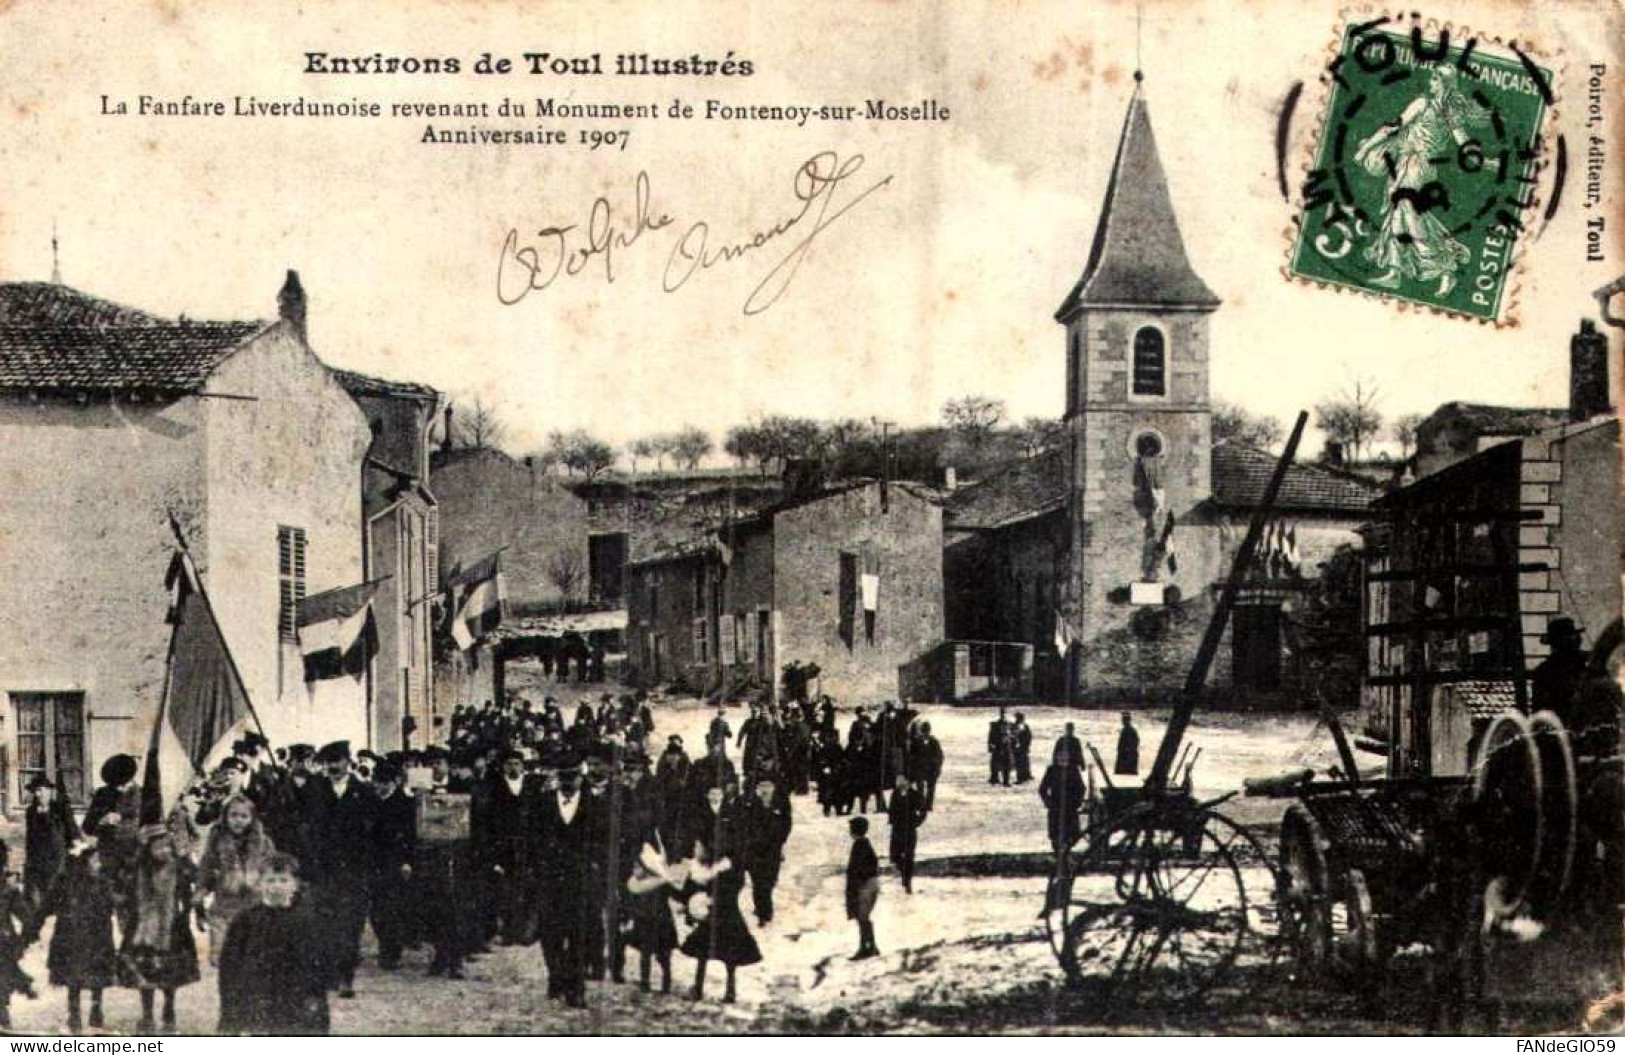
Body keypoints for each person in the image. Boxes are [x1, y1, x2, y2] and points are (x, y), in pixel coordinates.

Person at [217, 852, 333, 1035]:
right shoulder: (245, 920)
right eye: (270, 880)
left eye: (283, 880)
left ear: (295, 884)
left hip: (297, 1001)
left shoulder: (308, 920)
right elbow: (230, 967)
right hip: (258, 1000)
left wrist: (316, 1004)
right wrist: (231, 1012)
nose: (276, 887)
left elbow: (320, 964)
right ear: (260, 884)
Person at [305, 741, 376, 998]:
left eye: (338, 760)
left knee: (351, 925)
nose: (333, 766)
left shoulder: (364, 792)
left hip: (354, 872)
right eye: (329, 761)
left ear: (348, 762)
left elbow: (373, 834)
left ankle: (347, 977)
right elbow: (307, 829)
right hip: (323, 870)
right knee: (324, 923)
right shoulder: (315, 790)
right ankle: (329, 975)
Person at [117, 825, 200, 1033]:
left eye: (168, 847)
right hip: (143, 928)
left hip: (173, 927)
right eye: (158, 848)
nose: (165, 852)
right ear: (148, 851)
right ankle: (146, 1014)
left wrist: (193, 910)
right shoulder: (139, 871)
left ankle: (169, 1008)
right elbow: (127, 896)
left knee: (170, 972)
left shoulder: (179, 868)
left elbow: (193, 888)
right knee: (146, 971)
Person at [28, 843, 114, 1033]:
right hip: (79, 935)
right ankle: (78, 1012)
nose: (99, 864)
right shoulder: (68, 881)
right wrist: (34, 926)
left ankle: (93, 1009)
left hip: (90, 935)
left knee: (88, 975)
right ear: (83, 862)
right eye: (95, 860)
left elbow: (110, 904)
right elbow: (47, 905)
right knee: (77, 976)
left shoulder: (99, 881)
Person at [534, 761, 596, 1007]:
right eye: (564, 778)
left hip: (581, 881)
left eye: (574, 778)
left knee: (580, 934)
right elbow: (533, 837)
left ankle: (576, 987)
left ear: (581, 779)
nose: (569, 784)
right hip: (550, 880)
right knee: (550, 933)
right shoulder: (544, 803)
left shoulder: (594, 804)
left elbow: (603, 840)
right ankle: (556, 976)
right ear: (558, 779)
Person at [197, 795, 277, 966]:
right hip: (224, 905)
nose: (238, 821)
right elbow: (207, 867)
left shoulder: (263, 842)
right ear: (225, 817)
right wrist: (201, 889)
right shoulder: (217, 840)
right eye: (233, 815)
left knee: (251, 955)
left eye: (244, 816)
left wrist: (267, 888)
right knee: (224, 956)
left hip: (252, 904)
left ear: (252, 818)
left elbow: (271, 868)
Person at [679, 839, 760, 1003]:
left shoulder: (726, 869)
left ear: (709, 851)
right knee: (703, 953)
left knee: (730, 955)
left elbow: (734, 887)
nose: (695, 851)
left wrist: (714, 900)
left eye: (698, 848)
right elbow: (688, 890)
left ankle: (729, 991)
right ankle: (698, 988)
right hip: (709, 916)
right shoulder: (698, 870)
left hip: (726, 916)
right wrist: (691, 908)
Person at [367, 762, 416, 970]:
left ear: (394, 782)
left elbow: (412, 837)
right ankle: (385, 945)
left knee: (394, 908)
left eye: (384, 783)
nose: (380, 787)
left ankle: (391, 951)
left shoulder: (406, 804)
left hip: (396, 863)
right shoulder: (370, 802)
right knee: (376, 909)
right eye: (377, 783)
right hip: (373, 862)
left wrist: (407, 861)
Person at [624, 841, 679, 994]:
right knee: (645, 955)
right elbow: (632, 903)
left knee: (663, 957)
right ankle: (645, 981)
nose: (635, 871)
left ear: (647, 869)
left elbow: (675, 895)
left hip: (661, 923)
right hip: (645, 923)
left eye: (637, 867)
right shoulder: (636, 885)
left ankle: (666, 983)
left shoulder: (660, 884)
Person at [736, 778, 792, 926]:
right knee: (759, 882)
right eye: (762, 786)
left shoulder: (780, 802)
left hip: (773, 850)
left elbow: (787, 823)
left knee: (770, 880)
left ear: (774, 787)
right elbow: (743, 825)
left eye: (768, 786)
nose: (765, 789)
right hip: (754, 851)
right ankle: (764, 912)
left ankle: (763, 906)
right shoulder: (749, 803)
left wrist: (781, 840)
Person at [23, 774, 78, 909]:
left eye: (43, 790)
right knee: (37, 891)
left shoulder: (59, 808)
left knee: (56, 886)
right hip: (38, 856)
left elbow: (71, 828)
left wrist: (74, 846)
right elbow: (30, 836)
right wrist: (29, 856)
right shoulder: (30, 811)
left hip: (57, 855)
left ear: (49, 791)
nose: (40, 794)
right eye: (37, 790)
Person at [1040, 742, 1088, 852]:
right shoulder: (1052, 770)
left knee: (1072, 835)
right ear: (1056, 757)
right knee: (1056, 835)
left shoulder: (1073, 770)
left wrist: (1077, 802)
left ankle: (1067, 850)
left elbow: (1081, 788)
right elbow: (1042, 789)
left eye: (1065, 757)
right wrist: (1048, 802)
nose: (1062, 759)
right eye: (1060, 757)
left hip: (1070, 807)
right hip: (1056, 807)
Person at [845, 816, 880, 960]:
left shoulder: (860, 845)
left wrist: (856, 886)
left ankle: (867, 947)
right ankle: (870, 946)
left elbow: (857, 869)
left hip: (864, 886)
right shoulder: (864, 844)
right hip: (868, 884)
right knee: (863, 918)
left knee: (862, 917)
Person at [886, 775, 927, 894]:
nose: (898, 782)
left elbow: (923, 811)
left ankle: (907, 881)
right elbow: (892, 808)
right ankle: (904, 872)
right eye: (897, 780)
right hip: (897, 829)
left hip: (909, 829)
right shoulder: (895, 793)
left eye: (901, 780)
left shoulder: (915, 795)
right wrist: (891, 819)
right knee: (894, 855)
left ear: (907, 782)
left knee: (909, 856)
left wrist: (917, 822)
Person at [988, 708, 1014, 786]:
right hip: (998, 746)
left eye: (1005, 713)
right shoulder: (995, 725)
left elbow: (1013, 736)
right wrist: (991, 745)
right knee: (996, 764)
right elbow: (991, 736)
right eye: (1002, 713)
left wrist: (1014, 742)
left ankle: (1006, 781)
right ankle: (994, 779)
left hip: (1007, 747)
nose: (1003, 715)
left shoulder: (1010, 724)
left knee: (1008, 764)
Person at [1114, 713, 1140, 777]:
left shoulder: (1130, 731)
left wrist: (1127, 750)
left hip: (1127, 756)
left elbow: (1134, 743)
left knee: (1127, 773)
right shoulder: (1127, 730)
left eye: (1124, 720)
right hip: (1125, 755)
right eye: (1123, 720)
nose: (1122, 721)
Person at [1012, 713, 1034, 784]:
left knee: (1023, 762)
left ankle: (1024, 777)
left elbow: (1029, 736)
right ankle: (1023, 777)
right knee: (1022, 763)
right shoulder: (1017, 726)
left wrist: (1026, 745)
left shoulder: (1022, 726)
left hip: (1022, 747)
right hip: (1020, 748)